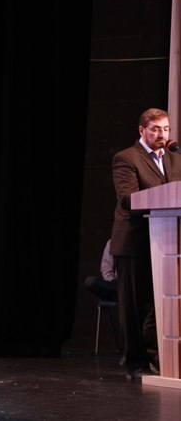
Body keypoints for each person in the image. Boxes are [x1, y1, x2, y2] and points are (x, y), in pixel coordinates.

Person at [110, 107, 181, 380]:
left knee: (161, 304)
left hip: (167, 242)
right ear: (142, 130)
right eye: (156, 129)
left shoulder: (174, 158)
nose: (162, 134)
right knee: (134, 305)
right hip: (134, 241)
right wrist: (163, 196)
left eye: (166, 129)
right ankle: (133, 362)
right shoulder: (126, 158)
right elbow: (128, 198)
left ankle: (157, 357)